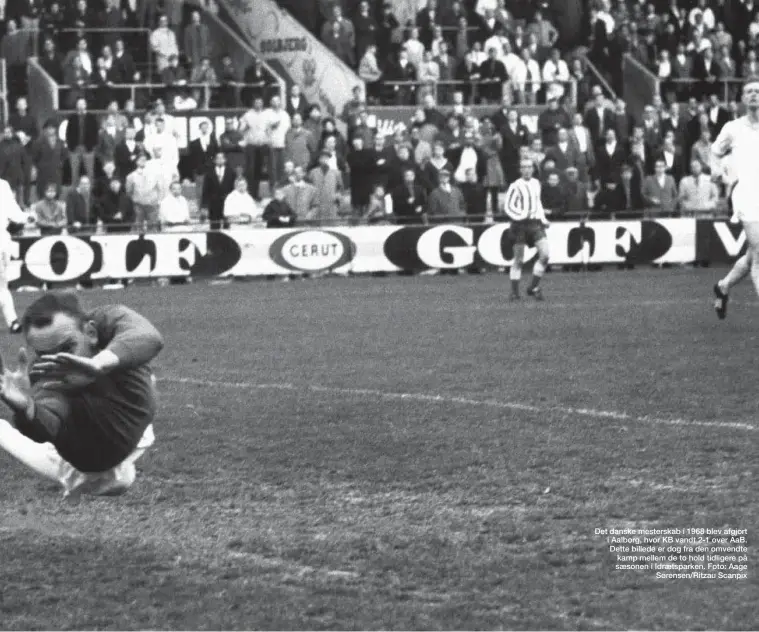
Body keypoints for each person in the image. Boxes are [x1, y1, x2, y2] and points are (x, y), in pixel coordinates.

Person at [0, 292, 163, 497]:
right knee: (113, 481)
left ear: (91, 332)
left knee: (137, 365)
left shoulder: (105, 319)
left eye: (68, 347)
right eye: (44, 354)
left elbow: (149, 337)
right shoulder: (46, 374)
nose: (60, 360)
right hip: (85, 463)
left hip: (135, 430)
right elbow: (49, 423)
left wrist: (100, 363)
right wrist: (26, 407)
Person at [711, 78, 759, 319]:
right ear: (742, 98)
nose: (754, 95)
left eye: (757, 91)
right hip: (747, 196)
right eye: (749, 91)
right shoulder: (733, 128)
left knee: (753, 253)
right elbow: (715, 152)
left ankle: (723, 286)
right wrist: (718, 171)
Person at [504, 158, 550, 301]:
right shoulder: (515, 185)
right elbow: (508, 207)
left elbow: (538, 203)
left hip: (535, 224)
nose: (527, 169)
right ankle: (514, 292)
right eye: (524, 167)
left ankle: (532, 287)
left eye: (529, 167)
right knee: (519, 260)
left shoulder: (536, 183)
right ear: (520, 169)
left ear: (533, 169)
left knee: (545, 255)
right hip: (520, 226)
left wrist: (543, 219)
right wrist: (522, 215)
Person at [0, 178, 32, 333]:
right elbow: (14, 213)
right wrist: (26, 217)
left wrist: (25, 217)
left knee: (2, 284)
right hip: (2, 241)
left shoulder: (3, 185)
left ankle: (13, 321)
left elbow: (13, 211)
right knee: (1, 285)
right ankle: (12, 321)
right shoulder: (3, 185)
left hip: (2, 240)